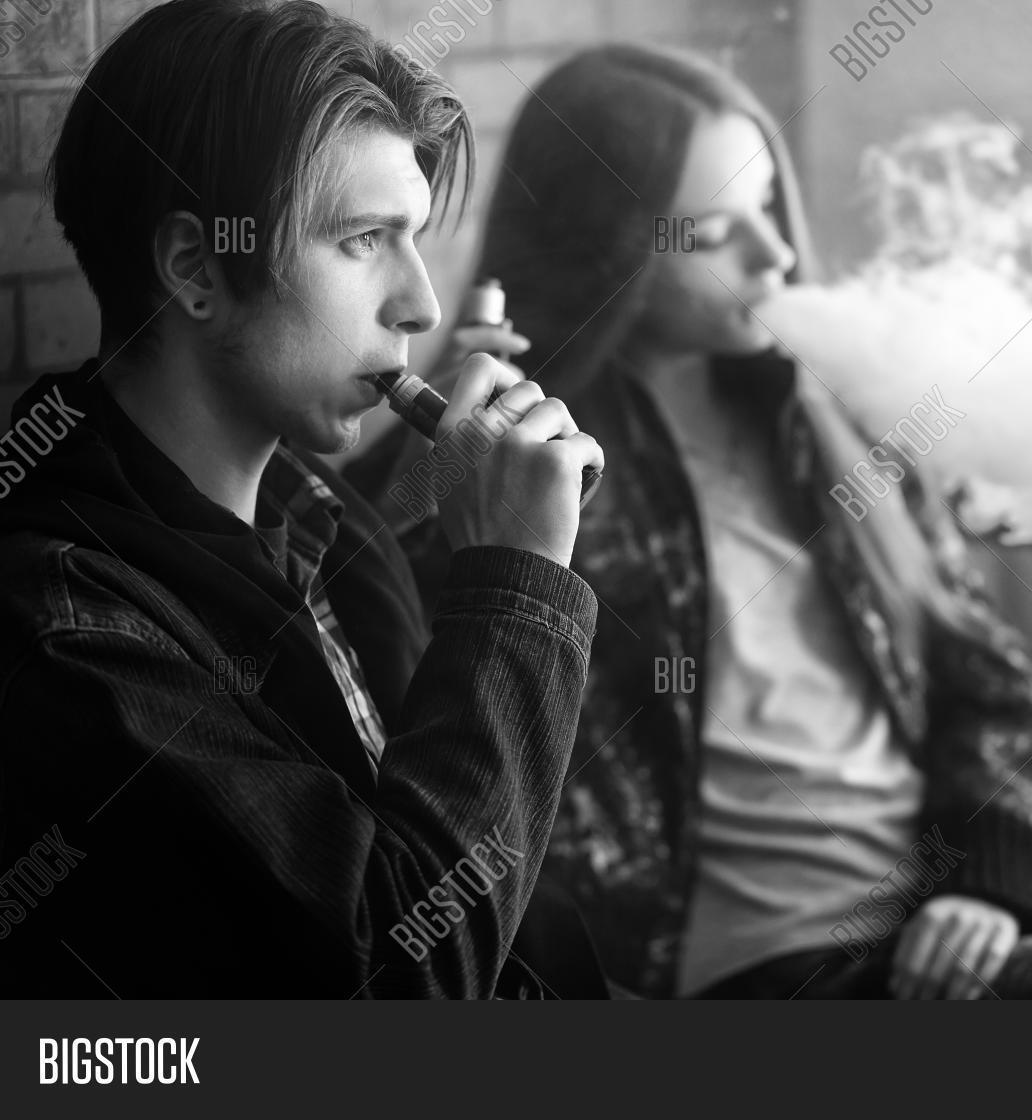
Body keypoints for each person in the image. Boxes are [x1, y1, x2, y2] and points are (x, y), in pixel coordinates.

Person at [346, 44, 1032, 1000]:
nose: (779, 253)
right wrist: (436, 460)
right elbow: (419, 692)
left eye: (768, 207)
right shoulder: (525, 465)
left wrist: (988, 882)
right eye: (716, 232)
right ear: (604, 244)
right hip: (758, 970)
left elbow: (992, 690)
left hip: (948, 934)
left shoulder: (842, 423)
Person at [0, 0, 604, 997]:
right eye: (364, 239)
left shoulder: (313, 511)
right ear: (196, 269)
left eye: (413, 237)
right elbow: (394, 981)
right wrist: (516, 581)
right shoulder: (71, 634)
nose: (422, 304)